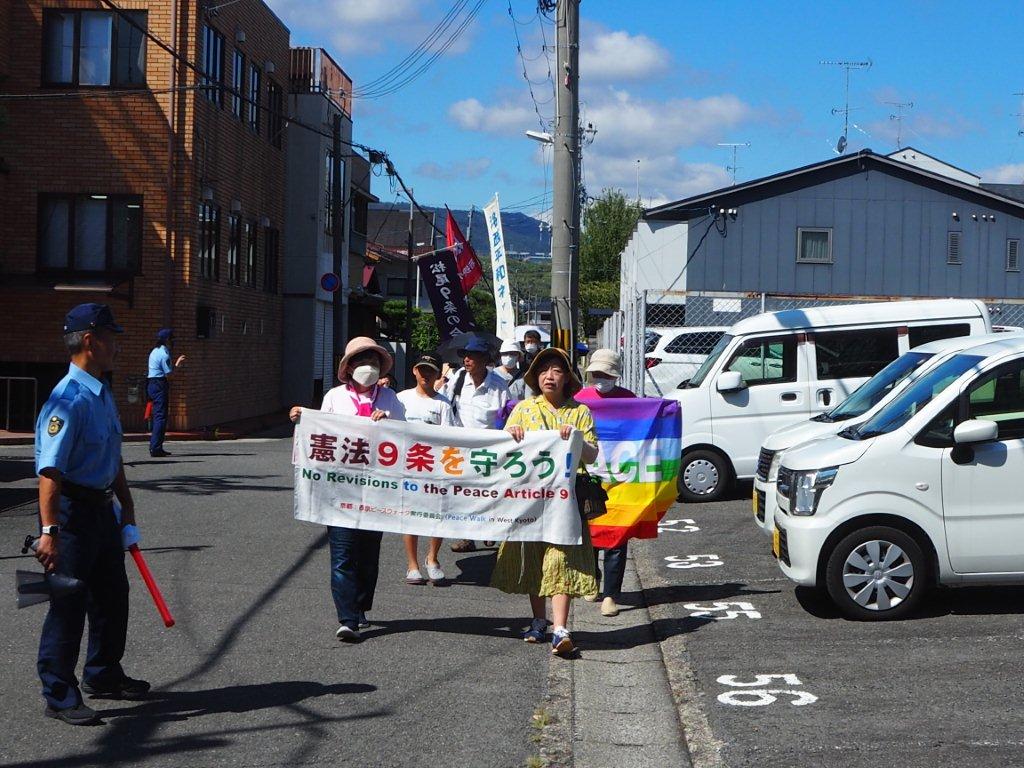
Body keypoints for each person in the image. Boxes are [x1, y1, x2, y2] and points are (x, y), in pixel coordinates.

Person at [34, 303, 150, 726]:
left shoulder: (101, 392)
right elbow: (50, 472)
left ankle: (103, 673)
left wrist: (126, 506)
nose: (116, 346)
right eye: (111, 337)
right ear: (89, 341)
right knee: (68, 601)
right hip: (71, 512)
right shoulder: (68, 400)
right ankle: (59, 694)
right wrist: (50, 531)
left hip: (102, 509)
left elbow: (111, 456)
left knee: (112, 596)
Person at [289, 337, 405, 642]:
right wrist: (302, 418)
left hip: (377, 490)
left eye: (374, 361)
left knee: (368, 556)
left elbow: (407, 437)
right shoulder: (335, 397)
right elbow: (320, 432)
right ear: (349, 367)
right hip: (339, 491)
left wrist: (388, 421)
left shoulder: (390, 398)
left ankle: (360, 606)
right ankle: (347, 618)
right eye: (362, 361)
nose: (368, 367)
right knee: (342, 555)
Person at [490, 347, 599, 657]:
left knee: (561, 559)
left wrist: (577, 438)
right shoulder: (524, 409)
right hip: (529, 499)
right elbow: (503, 451)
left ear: (568, 378)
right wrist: (510, 434)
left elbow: (593, 455)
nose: (550, 376)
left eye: (557, 370)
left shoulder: (580, 412)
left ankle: (561, 628)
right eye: (543, 370)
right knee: (533, 558)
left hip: (565, 500)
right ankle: (539, 620)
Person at [574, 349, 635, 618]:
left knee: (617, 536)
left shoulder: (629, 400)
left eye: (606, 374)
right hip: (589, 475)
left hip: (621, 477)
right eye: (596, 373)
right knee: (590, 532)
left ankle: (611, 595)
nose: (601, 378)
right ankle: (592, 580)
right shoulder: (580, 399)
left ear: (615, 375)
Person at [396, 353, 460, 585]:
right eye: (422, 370)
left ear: (437, 374)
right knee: (410, 514)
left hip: (435, 468)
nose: (425, 375)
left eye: (430, 371)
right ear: (415, 370)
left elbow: (449, 437)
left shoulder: (442, 403)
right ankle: (412, 565)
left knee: (437, 515)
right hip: (408, 466)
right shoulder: (401, 398)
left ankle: (432, 558)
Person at [445, 336, 509, 553]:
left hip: (490, 449)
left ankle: (489, 530)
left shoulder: (499, 385)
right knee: (464, 494)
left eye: (472, 356)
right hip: (462, 448)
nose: (467, 360)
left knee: (488, 493)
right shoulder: (458, 379)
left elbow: (507, 416)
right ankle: (467, 537)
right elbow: (446, 404)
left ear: (484, 360)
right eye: (465, 356)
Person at [146, 328, 185, 458]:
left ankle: (156, 446)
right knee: (160, 417)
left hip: (152, 383)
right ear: (167, 340)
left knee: (158, 415)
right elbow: (170, 375)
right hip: (159, 384)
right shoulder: (164, 354)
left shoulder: (154, 351)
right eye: (172, 339)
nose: (173, 342)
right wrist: (178, 365)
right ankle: (156, 447)